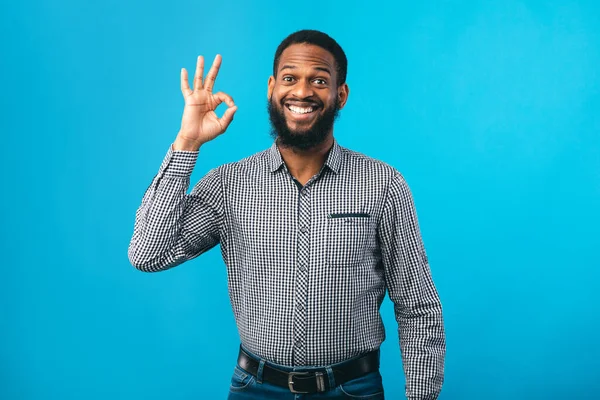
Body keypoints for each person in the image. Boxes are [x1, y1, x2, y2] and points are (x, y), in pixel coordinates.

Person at [128, 29, 445, 400]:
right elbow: (147, 255)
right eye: (290, 78)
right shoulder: (229, 184)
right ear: (271, 87)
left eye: (319, 80)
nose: (302, 92)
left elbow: (418, 306)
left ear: (339, 95)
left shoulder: (383, 184)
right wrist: (187, 142)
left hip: (351, 389)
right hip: (254, 388)